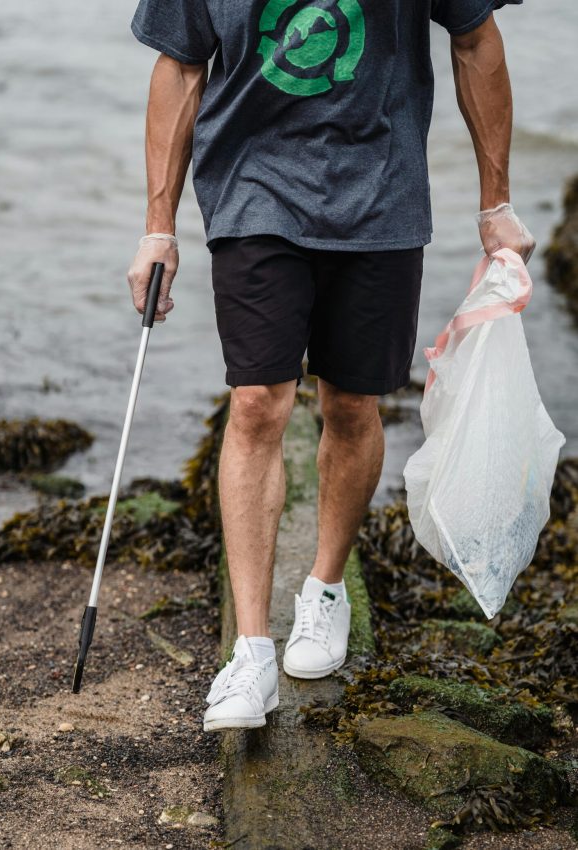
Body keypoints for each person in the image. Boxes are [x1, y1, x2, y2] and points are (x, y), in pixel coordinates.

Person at [126, 0, 535, 733]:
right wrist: (159, 229)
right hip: (253, 188)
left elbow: (475, 36)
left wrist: (494, 202)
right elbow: (182, 63)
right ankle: (251, 651)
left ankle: (324, 589)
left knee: (352, 403)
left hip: (381, 190)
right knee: (256, 400)